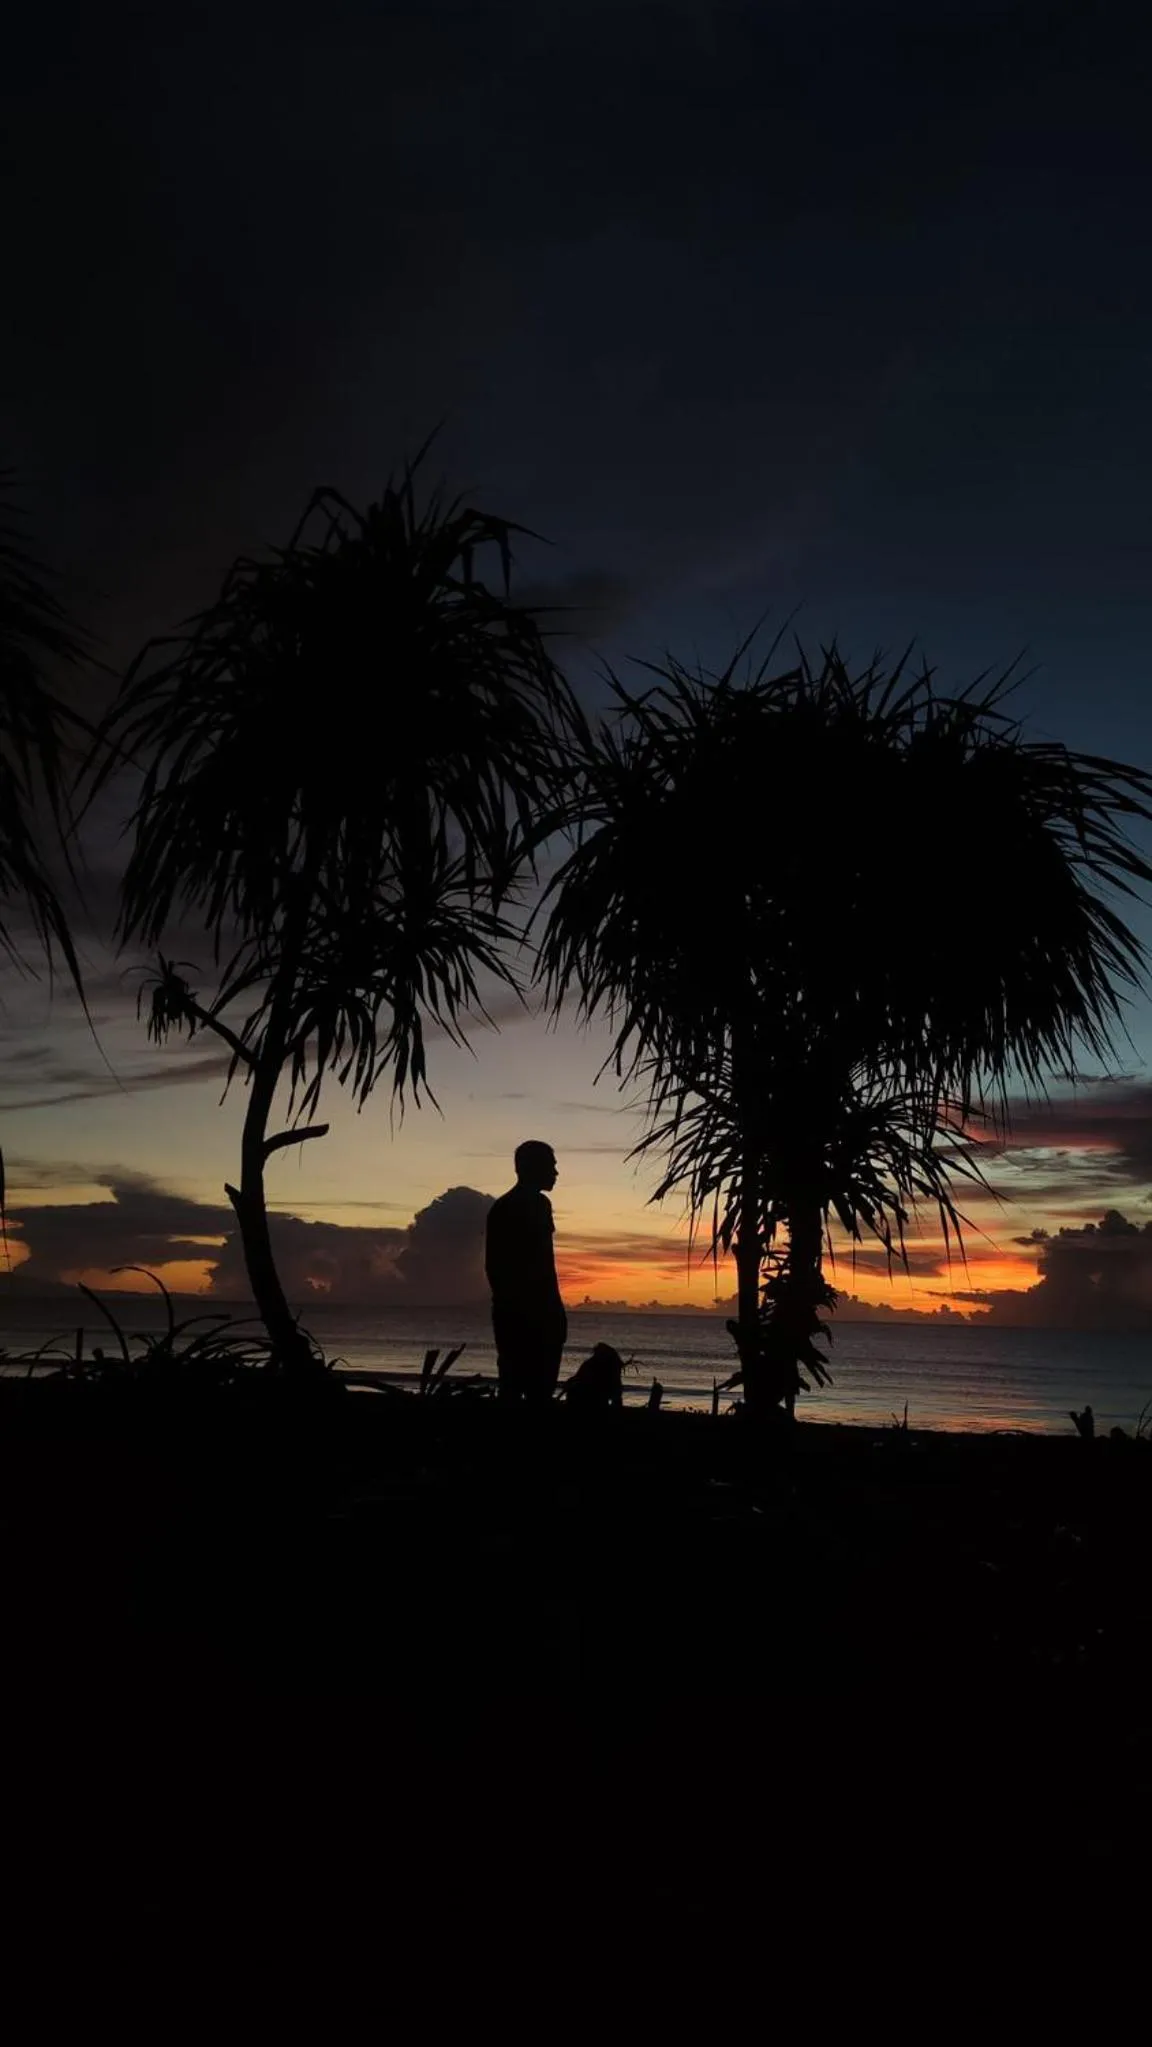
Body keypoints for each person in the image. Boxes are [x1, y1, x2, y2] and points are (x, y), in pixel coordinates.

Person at [485, 1141, 567, 1403]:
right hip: (534, 1314)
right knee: (538, 1393)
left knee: (512, 1386)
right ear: (533, 1168)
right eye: (551, 1166)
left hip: (512, 1313)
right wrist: (553, 1311)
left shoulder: (503, 1206)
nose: (556, 1173)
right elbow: (543, 1265)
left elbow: (495, 1268)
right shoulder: (536, 1205)